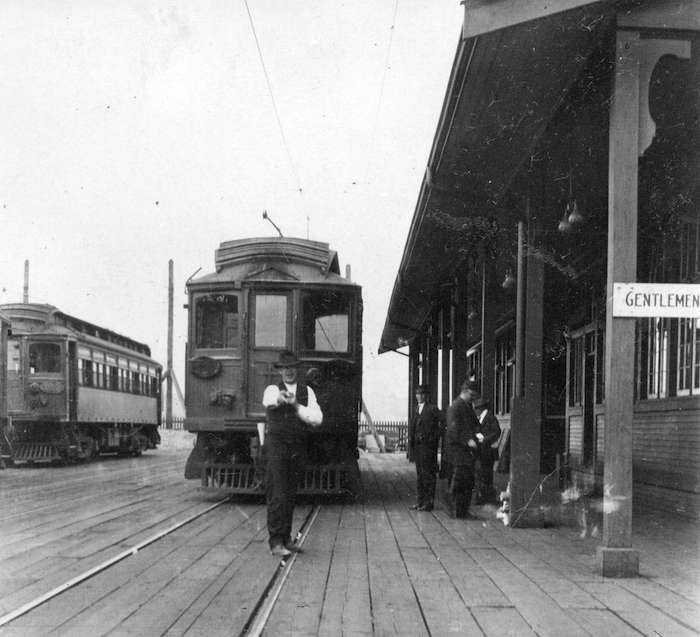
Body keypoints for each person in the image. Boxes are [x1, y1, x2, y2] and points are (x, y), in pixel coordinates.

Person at [262, 350, 323, 558]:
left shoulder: (308, 392)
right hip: (276, 447)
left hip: (296, 447)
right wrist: (281, 399)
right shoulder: (272, 388)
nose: (288, 372)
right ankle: (275, 541)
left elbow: (317, 418)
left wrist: (296, 405)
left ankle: (286, 539)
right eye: (284, 368)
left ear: (297, 369)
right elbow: (269, 401)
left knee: (289, 493)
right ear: (280, 371)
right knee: (277, 494)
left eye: (291, 368)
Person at [445, 379, 481, 518]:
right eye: (472, 395)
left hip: (465, 451)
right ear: (464, 392)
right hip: (458, 451)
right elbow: (453, 430)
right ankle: (457, 509)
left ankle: (461, 510)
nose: (473, 399)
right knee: (461, 481)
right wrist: (468, 440)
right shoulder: (456, 407)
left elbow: (476, 424)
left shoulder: (467, 405)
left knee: (467, 481)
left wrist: (478, 435)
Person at [407, 384, 443, 511]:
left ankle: (428, 503)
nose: (419, 396)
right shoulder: (416, 409)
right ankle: (420, 501)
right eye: (417, 393)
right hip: (418, 447)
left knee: (428, 474)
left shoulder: (432, 409)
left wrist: (433, 438)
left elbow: (443, 424)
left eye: (422, 394)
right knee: (420, 475)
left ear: (427, 396)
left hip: (428, 447)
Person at [473, 397, 501, 504]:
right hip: (482, 451)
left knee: (487, 474)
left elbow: (496, 432)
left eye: (476, 408)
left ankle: (487, 497)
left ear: (480, 408)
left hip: (488, 451)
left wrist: (485, 439)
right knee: (481, 474)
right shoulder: (480, 418)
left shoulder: (490, 418)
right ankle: (482, 496)